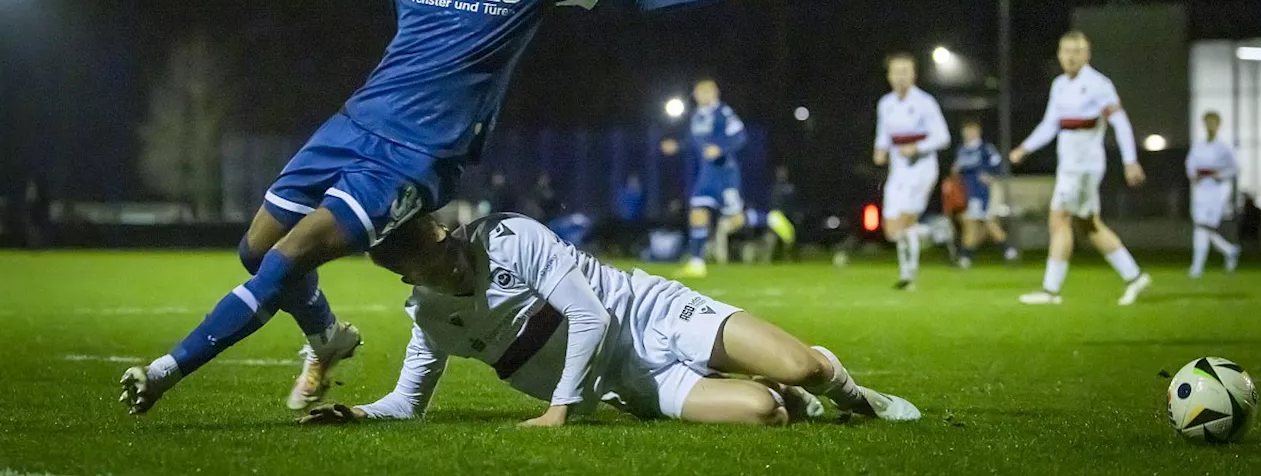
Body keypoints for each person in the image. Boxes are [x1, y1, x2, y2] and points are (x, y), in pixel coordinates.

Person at [122, 0, 778, 415]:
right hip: (352, 125)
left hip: (414, 158)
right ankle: (326, 338)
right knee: (257, 251)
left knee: (288, 260)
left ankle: (162, 372)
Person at [299, 212, 920, 427]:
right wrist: (354, 412)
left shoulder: (511, 236)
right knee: (766, 413)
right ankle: (776, 390)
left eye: (450, 241)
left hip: (649, 314)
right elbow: (408, 403)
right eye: (437, 260)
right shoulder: (430, 317)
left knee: (802, 366)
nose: (456, 258)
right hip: (630, 381)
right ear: (411, 276)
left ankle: (858, 396)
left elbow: (590, 317)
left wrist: (560, 409)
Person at [1009, 30, 1151, 306]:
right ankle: (1134, 276)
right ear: (1059, 54)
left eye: (1077, 51)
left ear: (1087, 55)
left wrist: (1130, 160)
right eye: (1066, 51)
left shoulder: (1099, 84)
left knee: (1058, 219)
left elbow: (1120, 122)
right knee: (1088, 225)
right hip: (1070, 166)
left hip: (1083, 167)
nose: (1071, 57)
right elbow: (1050, 124)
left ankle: (1050, 291)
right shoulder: (1060, 85)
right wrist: (1025, 148)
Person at [873, 53, 951, 290]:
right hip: (898, 173)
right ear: (889, 76)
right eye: (896, 72)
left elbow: (942, 137)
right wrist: (880, 150)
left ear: (913, 74)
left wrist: (917, 147)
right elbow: (883, 133)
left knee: (906, 223)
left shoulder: (925, 103)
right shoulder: (885, 104)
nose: (900, 77)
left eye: (905, 71)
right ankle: (936, 231)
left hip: (922, 169)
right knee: (891, 230)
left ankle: (908, 276)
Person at [661, 79, 747, 277]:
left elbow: (740, 136)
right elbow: (694, 142)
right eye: (697, 92)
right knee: (697, 212)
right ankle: (697, 263)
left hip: (725, 173)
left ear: (714, 93)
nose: (699, 96)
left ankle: (767, 218)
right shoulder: (697, 116)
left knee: (736, 220)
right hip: (707, 175)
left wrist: (721, 148)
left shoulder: (723, 113)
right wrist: (678, 146)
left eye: (704, 92)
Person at [950, 120, 1018, 268]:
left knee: (978, 222)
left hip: (983, 192)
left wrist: (991, 175)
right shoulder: (962, 150)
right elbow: (957, 170)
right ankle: (1007, 250)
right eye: (967, 130)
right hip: (968, 192)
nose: (969, 133)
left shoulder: (985, 149)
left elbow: (998, 164)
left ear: (978, 131)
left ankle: (967, 257)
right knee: (980, 222)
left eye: (972, 130)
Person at [1185, 111, 1240, 277]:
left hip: (1217, 191)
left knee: (1204, 227)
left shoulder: (1224, 147)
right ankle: (1229, 250)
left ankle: (1197, 267)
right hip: (1201, 189)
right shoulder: (1198, 146)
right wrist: (1193, 175)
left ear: (1218, 125)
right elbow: (1190, 164)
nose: (1209, 126)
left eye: (1212, 123)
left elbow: (1234, 168)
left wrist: (1220, 175)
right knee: (1201, 226)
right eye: (1207, 123)